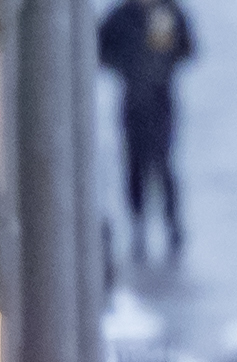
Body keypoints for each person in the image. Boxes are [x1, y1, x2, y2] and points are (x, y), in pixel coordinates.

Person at [103, 0, 195, 260]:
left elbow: (186, 48)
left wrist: (163, 63)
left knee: (163, 163)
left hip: (160, 100)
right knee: (135, 164)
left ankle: (171, 223)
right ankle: (138, 223)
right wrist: (126, 65)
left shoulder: (167, 12)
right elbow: (101, 49)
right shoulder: (122, 16)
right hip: (133, 101)